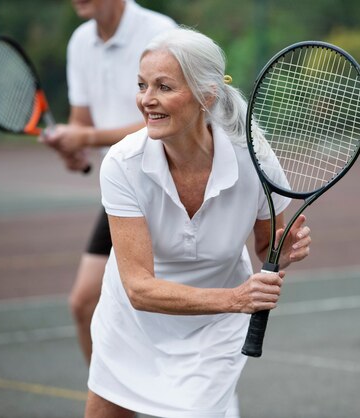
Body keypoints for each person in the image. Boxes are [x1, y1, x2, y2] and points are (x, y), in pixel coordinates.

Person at [84, 27, 313, 417]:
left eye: (164, 87)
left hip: (215, 330)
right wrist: (237, 299)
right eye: (142, 85)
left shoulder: (254, 158)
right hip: (132, 324)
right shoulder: (122, 164)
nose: (146, 100)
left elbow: (265, 247)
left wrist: (284, 249)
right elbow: (139, 288)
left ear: (206, 95)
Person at [39, 0, 176, 364]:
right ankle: (114, 402)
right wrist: (73, 145)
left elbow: (168, 118)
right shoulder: (80, 41)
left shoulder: (159, 31)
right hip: (124, 188)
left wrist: (86, 139)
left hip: (172, 184)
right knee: (85, 303)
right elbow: (82, 122)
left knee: (166, 311)